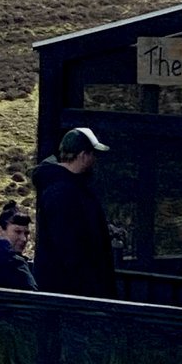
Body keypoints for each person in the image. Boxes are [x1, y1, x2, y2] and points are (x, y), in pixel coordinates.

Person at [32, 127, 116, 298]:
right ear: (83, 155)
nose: (94, 159)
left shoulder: (67, 189)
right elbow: (69, 247)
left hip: (71, 293)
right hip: (70, 296)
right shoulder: (63, 193)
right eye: (92, 154)